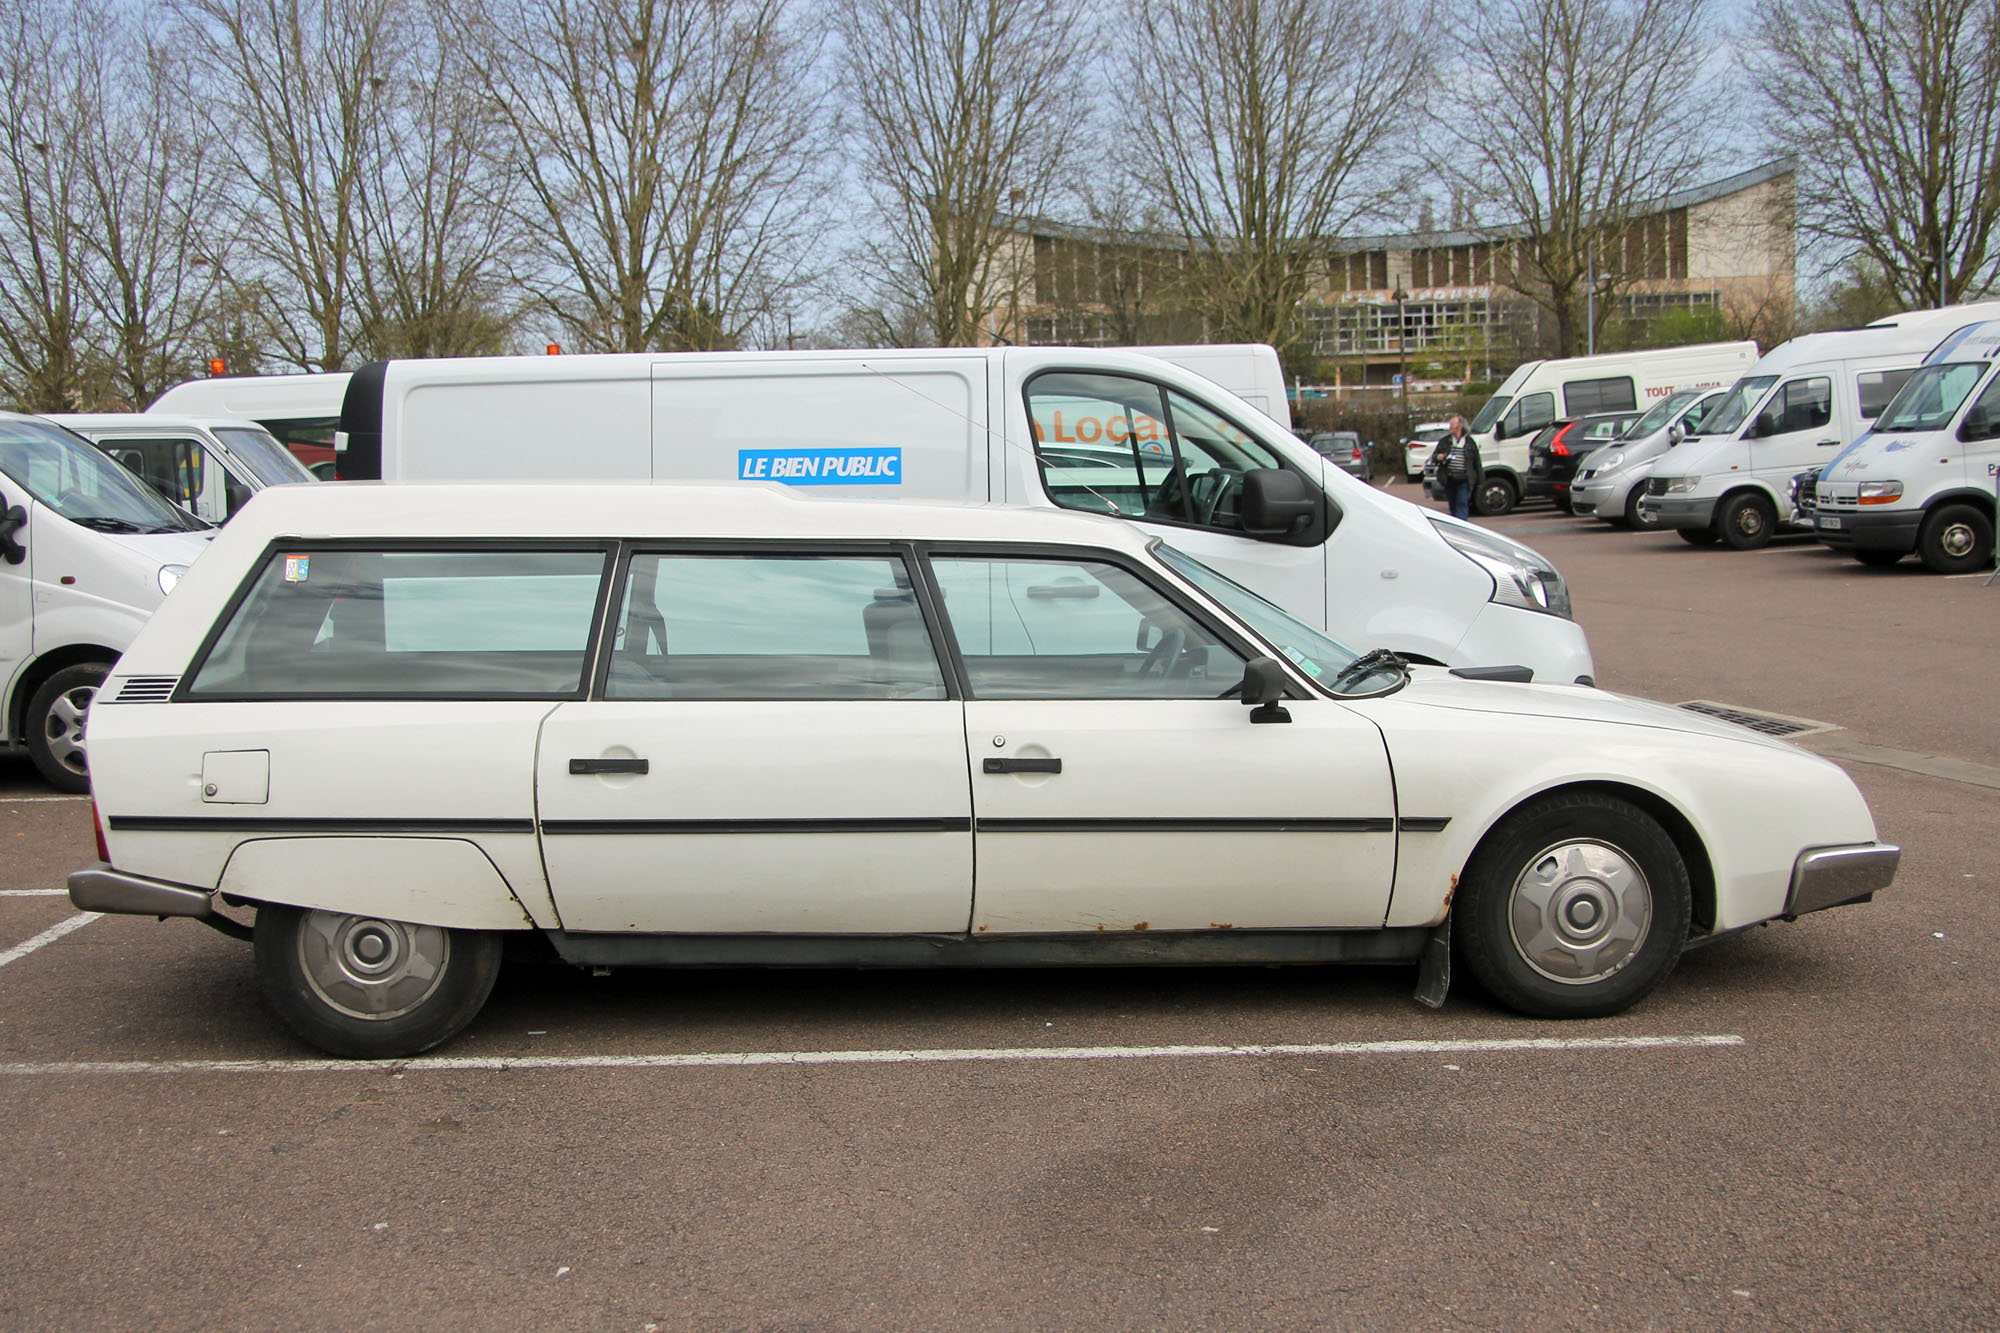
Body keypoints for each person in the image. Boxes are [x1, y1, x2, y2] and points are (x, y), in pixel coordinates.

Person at [1429, 415, 1483, 519]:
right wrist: (1439, 457)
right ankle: (1455, 524)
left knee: (1462, 503)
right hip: (1449, 479)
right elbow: (1434, 457)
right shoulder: (1444, 441)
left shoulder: (1469, 442)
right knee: (1453, 506)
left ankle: (1462, 526)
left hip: (1464, 479)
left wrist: (1480, 480)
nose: (1450, 427)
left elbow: (1476, 462)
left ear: (1459, 426)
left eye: (1452, 425)